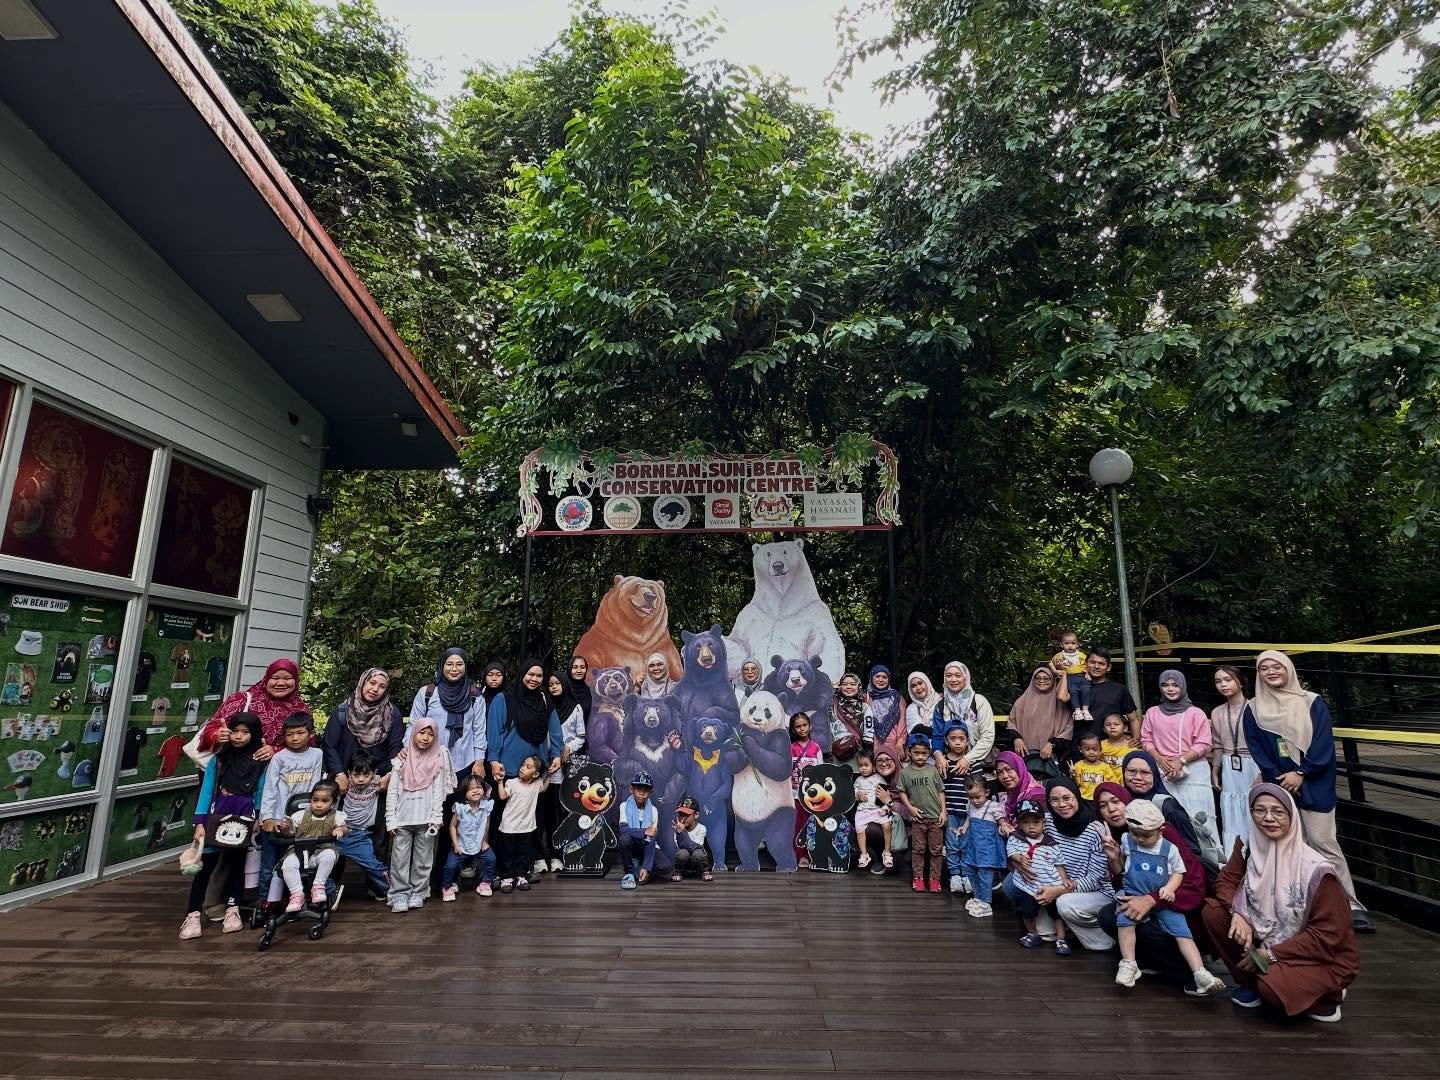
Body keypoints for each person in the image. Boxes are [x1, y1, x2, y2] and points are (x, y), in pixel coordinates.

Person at [1202, 785, 1360, 1021]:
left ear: (1291, 816)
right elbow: (1225, 882)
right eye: (1259, 810)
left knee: (1273, 990)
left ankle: (1328, 993)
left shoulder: (1316, 871)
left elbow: (1327, 936)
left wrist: (1272, 954)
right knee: (1213, 913)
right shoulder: (1248, 848)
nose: (1268, 818)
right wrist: (1238, 913)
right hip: (1263, 938)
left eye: (1278, 812)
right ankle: (1253, 982)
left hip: (1317, 954)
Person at [1243, 650, 1372, 933]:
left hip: (1315, 781)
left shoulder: (1311, 701)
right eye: (1264, 668)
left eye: (1277, 666)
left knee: (1323, 842)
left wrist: (1302, 773)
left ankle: (1350, 905)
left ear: (1288, 668)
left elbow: (1323, 742)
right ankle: (1299, 906)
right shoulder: (1253, 708)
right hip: (1279, 786)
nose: (1271, 672)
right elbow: (1257, 748)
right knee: (1288, 847)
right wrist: (1281, 778)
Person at [1094, 782, 1209, 989]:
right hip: (1144, 900)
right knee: (1110, 915)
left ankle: (1187, 971)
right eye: (1103, 805)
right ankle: (1145, 962)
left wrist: (1152, 900)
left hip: (1178, 905)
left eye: (1116, 801)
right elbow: (1126, 883)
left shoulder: (1161, 834)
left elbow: (1193, 882)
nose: (1111, 809)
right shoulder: (1123, 839)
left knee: (1149, 925)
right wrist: (1115, 861)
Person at [1110, 799, 1226, 995]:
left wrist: (1167, 890)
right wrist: (1115, 859)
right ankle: (1129, 962)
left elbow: (1180, 873)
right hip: (1134, 893)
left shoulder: (1168, 847)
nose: (1139, 839)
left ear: (1160, 830)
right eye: (1135, 833)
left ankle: (1199, 972)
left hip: (1165, 899)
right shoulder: (1127, 840)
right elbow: (1125, 869)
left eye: (1145, 835)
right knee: (1121, 919)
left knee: (1182, 932)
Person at [179, 713, 265, 939]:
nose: (239, 737)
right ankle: (193, 914)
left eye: (245, 732)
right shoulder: (218, 760)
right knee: (205, 866)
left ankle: (233, 909)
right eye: (235, 731)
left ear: (254, 735)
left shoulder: (260, 762)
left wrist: (257, 818)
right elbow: (207, 791)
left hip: (243, 820)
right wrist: (199, 822)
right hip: (215, 817)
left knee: (236, 866)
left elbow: (260, 792)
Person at [1141, 669, 1222, 865]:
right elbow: (1146, 738)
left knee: (1201, 820)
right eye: (1165, 685)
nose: (1170, 689)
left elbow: (1204, 743)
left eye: (1175, 685)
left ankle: (1211, 865)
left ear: (1183, 686)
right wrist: (1160, 759)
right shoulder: (1152, 713)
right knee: (1169, 818)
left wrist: (1181, 760)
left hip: (1193, 773)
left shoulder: (1196, 713)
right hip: (1164, 772)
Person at [385, 717, 453, 913]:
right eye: (421, 733)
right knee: (399, 860)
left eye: (430, 735)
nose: (425, 738)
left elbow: (439, 792)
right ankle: (399, 894)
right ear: (414, 733)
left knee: (423, 860)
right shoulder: (401, 760)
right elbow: (393, 791)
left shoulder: (437, 760)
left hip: (426, 820)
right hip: (402, 819)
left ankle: (419, 892)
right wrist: (390, 819)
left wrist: (436, 817)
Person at [257, 713, 324, 908]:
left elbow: (315, 787)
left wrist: (312, 816)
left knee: (298, 862)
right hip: (278, 818)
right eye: (289, 734)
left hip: (303, 820)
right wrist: (267, 818)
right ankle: (266, 902)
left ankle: (296, 900)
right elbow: (270, 788)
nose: (294, 738)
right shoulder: (278, 758)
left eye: (300, 733)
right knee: (270, 864)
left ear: (310, 734)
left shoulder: (316, 754)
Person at [486, 659, 564, 820]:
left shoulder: (543, 700)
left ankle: (531, 846)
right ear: (523, 674)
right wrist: (493, 759)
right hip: (508, 768)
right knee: (504, 817)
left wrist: (556, 754)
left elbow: (555, 729)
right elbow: (494, 731)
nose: (534, 679)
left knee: (534, 816)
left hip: (536, 770)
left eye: (539, 676)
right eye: (531, 674)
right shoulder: (504, 699)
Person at [1044, 778, 1115, 952]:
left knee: (1065, 904)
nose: (1061, 804)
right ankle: (1070, 927)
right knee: (1013, 886)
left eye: (1067, 798)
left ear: (1076, 796)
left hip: (1096, 891)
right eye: (1055, 800)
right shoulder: (1047, 822)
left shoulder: (1094, 829)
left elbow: (1097, 879)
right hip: (1062, 883)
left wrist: (1059, 890)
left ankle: (1108, 937)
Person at [195, 658, 309, 760]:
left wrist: (276, 751)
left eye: (288, 678)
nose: (280, 683)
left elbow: (308, 745)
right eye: (275, 678)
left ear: (296, 681)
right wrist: (217, 735)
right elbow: (210, 729)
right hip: (233, 771)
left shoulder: (301, 710)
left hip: (277, 774)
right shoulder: (241, 700)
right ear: (266, 680)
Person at [1002, 798, 1071, 952]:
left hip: (1049, 885)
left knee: (1056, 913)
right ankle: (1033, 933)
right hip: (1028, 887)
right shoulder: (1016, 838)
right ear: (1019, 824)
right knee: (1027, 912)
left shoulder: (1051, 844)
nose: (1031, 827)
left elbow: (1059, 863)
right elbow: (1011, 851)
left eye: (1035, 822)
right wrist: (1018, 857)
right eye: (1025, 822)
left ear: (1043, 823)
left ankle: (1061, 938)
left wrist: (1064, 879)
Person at [1121, 750, 1209, 871]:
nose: (1138, 777)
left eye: (1145, 773)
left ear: (1155, 775)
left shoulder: (1167, 806)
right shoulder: (1120, 803)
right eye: (1131, 772)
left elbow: (1192, 851)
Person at [409, 648, 487, 782]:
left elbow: (479, 731)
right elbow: (413, 725)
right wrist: (409, 756)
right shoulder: (428, 693)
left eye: (459, 664)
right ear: (442, 665)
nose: (454, 669)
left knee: (460, 803)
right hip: (428, 762)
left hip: (464, 763)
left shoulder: (474, 696)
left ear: (465, 666)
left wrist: (479, 762)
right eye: (449, 664)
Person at [269, 779, 345, 913]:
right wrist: (285, 829)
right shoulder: (300, 815)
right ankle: (297, 894)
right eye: (315, 800)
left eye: (324, 801)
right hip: (299, 852)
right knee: (288, 863)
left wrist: (340, 830)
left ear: (333, 802)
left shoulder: (336, 816)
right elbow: (290, 833)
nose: (319, 805)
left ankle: (318, 886)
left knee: (330, 854)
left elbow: (344, 827)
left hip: (320, 852)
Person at [321, 667, 403, 787]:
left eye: (382, 686)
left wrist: (390, 775)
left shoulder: (392, 714)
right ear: (363, 682)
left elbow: (396, 747)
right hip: (345, 782)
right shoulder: (344, 711)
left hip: (378, 784)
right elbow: (329, 745)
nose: (375, 689)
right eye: (372, 683)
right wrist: (339, 773)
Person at [1210, 664, 1259, 853]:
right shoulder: (1217, 712)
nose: (1223, 684)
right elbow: (1217, 744)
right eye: (1218, 681)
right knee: (1231, 809)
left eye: (1228, 679)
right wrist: (1215, 768)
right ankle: (1234, 857)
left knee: (1254, 804)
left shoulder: (1255, 708)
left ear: (1240, 681)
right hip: (1229, 763)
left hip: (1253, 763)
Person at [545, 668, 587, 874]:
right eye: (550, 684)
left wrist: (568, 747)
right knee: (549, 811)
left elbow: (581, 735)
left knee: (568, 810)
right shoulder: (544, 705)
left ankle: (566, 853)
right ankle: (548, 855)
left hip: (569, 765)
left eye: (557, 683)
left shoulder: (575, 707)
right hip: (547, 766)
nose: (554, 687)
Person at [333, 752, 390, 900]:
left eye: (366, 775)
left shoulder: (377, 783)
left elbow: (399, 769)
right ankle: (328, 893)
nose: (361, 779)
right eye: (356, 775)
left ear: (374, 774)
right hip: (341, 833)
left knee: (373, 865)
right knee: (324, 862)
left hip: (361, 835)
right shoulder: (344, 785)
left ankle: (388, 890)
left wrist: (389, 775)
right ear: (348, 774)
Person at [895, 735, 945, 893]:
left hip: (936, 818)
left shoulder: (932, 770)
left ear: (929, 752)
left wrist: (944, 811)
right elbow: (902, 792)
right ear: (909, 752)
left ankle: (935, 879)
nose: (920, 756)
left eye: (924, 753)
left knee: (936, 850)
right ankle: (918, 878)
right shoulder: (906, 772)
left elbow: (940, 791)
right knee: (918, 850)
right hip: (918, 819)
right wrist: (910, 807)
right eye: (917, 753)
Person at [1004, 667, 1073, 776]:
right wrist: (1016, 738)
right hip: (1026, 756)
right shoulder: (1021, 702)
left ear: (1053, 680)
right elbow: (1012, 722)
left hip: (1052, 758)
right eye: (1038, 678)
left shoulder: (1060, 703)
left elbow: (1068, 728)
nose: (1041, 681)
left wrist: (1052, 744)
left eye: (1046, 679)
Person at [928, 661, 995, 770]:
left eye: (958, 676)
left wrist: (968, 759)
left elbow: (987, 736)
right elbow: (938, 736)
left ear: (966, 677)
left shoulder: (979, 701)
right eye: (948, 676)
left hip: (979, 760)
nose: (953, 679)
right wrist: (938, 755)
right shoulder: (941, 706)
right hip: (951, 763)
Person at [496, 753, 548, 894]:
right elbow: (502, 795)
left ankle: (521, 876)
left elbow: (543, 787)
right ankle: (506, 877)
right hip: (509, 827)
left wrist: (549, 775)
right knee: (507, 854)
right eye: (523, 765)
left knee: (523, 854)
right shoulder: (512, 783)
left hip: (526, 828)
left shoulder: (537, 784)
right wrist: (500, 782)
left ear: (536, 774)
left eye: (528, 767)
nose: (523, 768)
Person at [442, 774, 496, 901]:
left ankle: (485, 883)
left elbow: (486, 824)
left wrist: (485, 841)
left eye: (478, 787)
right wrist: (455, 845)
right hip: (462, 845)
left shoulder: (486, 806)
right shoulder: (460, 808)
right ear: (465, 793)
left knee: (491, 859)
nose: (476, 790)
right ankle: (447, 886)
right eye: (471, 789)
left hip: (478, 844)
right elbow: (452, 826)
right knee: (450, 866)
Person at [961, 772, 1006, 917]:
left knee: (985, 875)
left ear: (986, 792)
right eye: (971, 797)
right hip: (973, 846)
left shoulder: (993, 806)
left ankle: (986, 903)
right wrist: (963, 828)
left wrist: (1004, 825)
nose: (974, 801)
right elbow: (969, 818)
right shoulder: (971, 805)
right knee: (971, 871)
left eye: (977, 797)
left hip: (987, 849)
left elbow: (1001, 820)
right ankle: (978, 897)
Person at [940, 725, 975, 893]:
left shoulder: (972, 762)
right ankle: (954, 874)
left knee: (967, 844)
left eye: (962, 739)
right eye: (953, 739)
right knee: (952, 844)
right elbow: (940, 788)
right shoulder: (943, 762)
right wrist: (943, 811)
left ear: (967, 741)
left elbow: (980, 786)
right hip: (951, 810)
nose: (958, 743)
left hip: (968, 812)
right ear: (946, 740)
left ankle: (967, 874)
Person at [1083, 646, 1139, 745]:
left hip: (1113, 749)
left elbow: (1133, 719)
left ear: (1108, 667)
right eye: (1092, 662)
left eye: (1101, 664)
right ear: (1086, 663)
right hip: (1082, 747)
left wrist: (1136, 739)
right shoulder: (1077, 688)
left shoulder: (1119, 689)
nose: (1096, 666)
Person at [790, 713, 823, 869]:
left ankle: (810, 855)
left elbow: (821, 772)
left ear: (810, 726)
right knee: (797, 825)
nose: (802, 729)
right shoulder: (790, 748)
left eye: (804, 725)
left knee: (811, 825)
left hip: (812, 796)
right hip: (794, 795)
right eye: (798, 726)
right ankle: (798, 855)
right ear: (794, 729)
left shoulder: (816, 747)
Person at [853, 751, 893, 871]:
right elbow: (854, 792)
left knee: (887, 825)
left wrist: (885, 808)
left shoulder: (878, 778)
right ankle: (864, 854)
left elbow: (886, 795)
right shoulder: (858, 780)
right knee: (859, 829)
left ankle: (887, 852)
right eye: (860, 766)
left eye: (866, 765)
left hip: (877, 810)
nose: (863, 768)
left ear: (874, 767)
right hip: (863, 811)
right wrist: (858, 794)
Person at [617, 772, 659, 889]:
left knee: (665, 867)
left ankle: (641, 867)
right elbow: (624, 829)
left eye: (646, 790)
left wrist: (646, 866)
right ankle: (629, 872)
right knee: (624, 839)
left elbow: (651, 838)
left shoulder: (653, 810)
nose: (641, 793)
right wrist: (644, 831)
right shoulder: (624, 806)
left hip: (645, 846)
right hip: (632, 844)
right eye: (638, 789)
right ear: (631, 789)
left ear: (650, 793)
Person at [994, 749, 1046, 833]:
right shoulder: (1010, 793)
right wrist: (1003, 824)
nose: (1005, 776)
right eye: (1000, 772)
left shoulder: (1037, 796)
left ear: (1019, 768)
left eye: (1008, 769)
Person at [866, 665, 907, 766]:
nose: (881, 680)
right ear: (871, 678)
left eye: (884, 677)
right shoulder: (866, 697)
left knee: (896, 772)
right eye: (877, 676)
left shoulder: (896, 697)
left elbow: (902, 721)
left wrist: (900, 742)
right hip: (873, 744)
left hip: (895, 744)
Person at [1050, 630, 1091, 726]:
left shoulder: (1081, 655)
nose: (1070, 645)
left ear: (1077, 644)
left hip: (1082, 676)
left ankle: (1085, 710)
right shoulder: (1059, 656)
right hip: (1069, 677)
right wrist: (1055, 671)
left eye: (1073, 643)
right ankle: (1077, 710)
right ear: (1061, 645)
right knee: (1073, 692)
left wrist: (1088, 674)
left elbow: (1088, 664)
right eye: (1067, 643)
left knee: (1086, 690)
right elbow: (1051, 664)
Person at [671, 796, 712, 881]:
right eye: (680, 815)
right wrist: (679, 833)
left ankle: (704, 872)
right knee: (682, 853)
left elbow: (694, 847)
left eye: (687, 815)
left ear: (696, 815)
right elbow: (681, 847)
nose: (683, 818)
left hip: (697, 861)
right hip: (684, 862)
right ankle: (678, 872)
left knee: (698, 853)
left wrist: (683, 832)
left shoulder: (701, 828)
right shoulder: (677, 829)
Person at [833, 672, 871, 761]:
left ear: (858, 686)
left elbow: (869, 731)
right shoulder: (833, 705)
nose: (849, 687)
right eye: (845, 684)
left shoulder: (864, 707)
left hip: (858, 754)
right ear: (840, 687)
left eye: (853, 684)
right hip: (836, 753)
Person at [1070, 734, 1121, 800]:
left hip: (1101, 799)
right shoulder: (1078, 765)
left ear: (1100, 750)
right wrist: (1073, 776)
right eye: (1087, 749)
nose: (1091, 752)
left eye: (1095, 749)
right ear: (1080, 749)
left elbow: (1114, 784)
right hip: (1084, 799)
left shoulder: (1105, 767)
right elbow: (1077, 785)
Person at [905, 671, 942, 741]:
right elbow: (917, 730)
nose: (918, 688)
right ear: (910, 690)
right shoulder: (911, 708)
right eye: (913, 686)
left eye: (920, 683)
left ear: (927, 683)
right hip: (922, 749)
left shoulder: (941, 702)